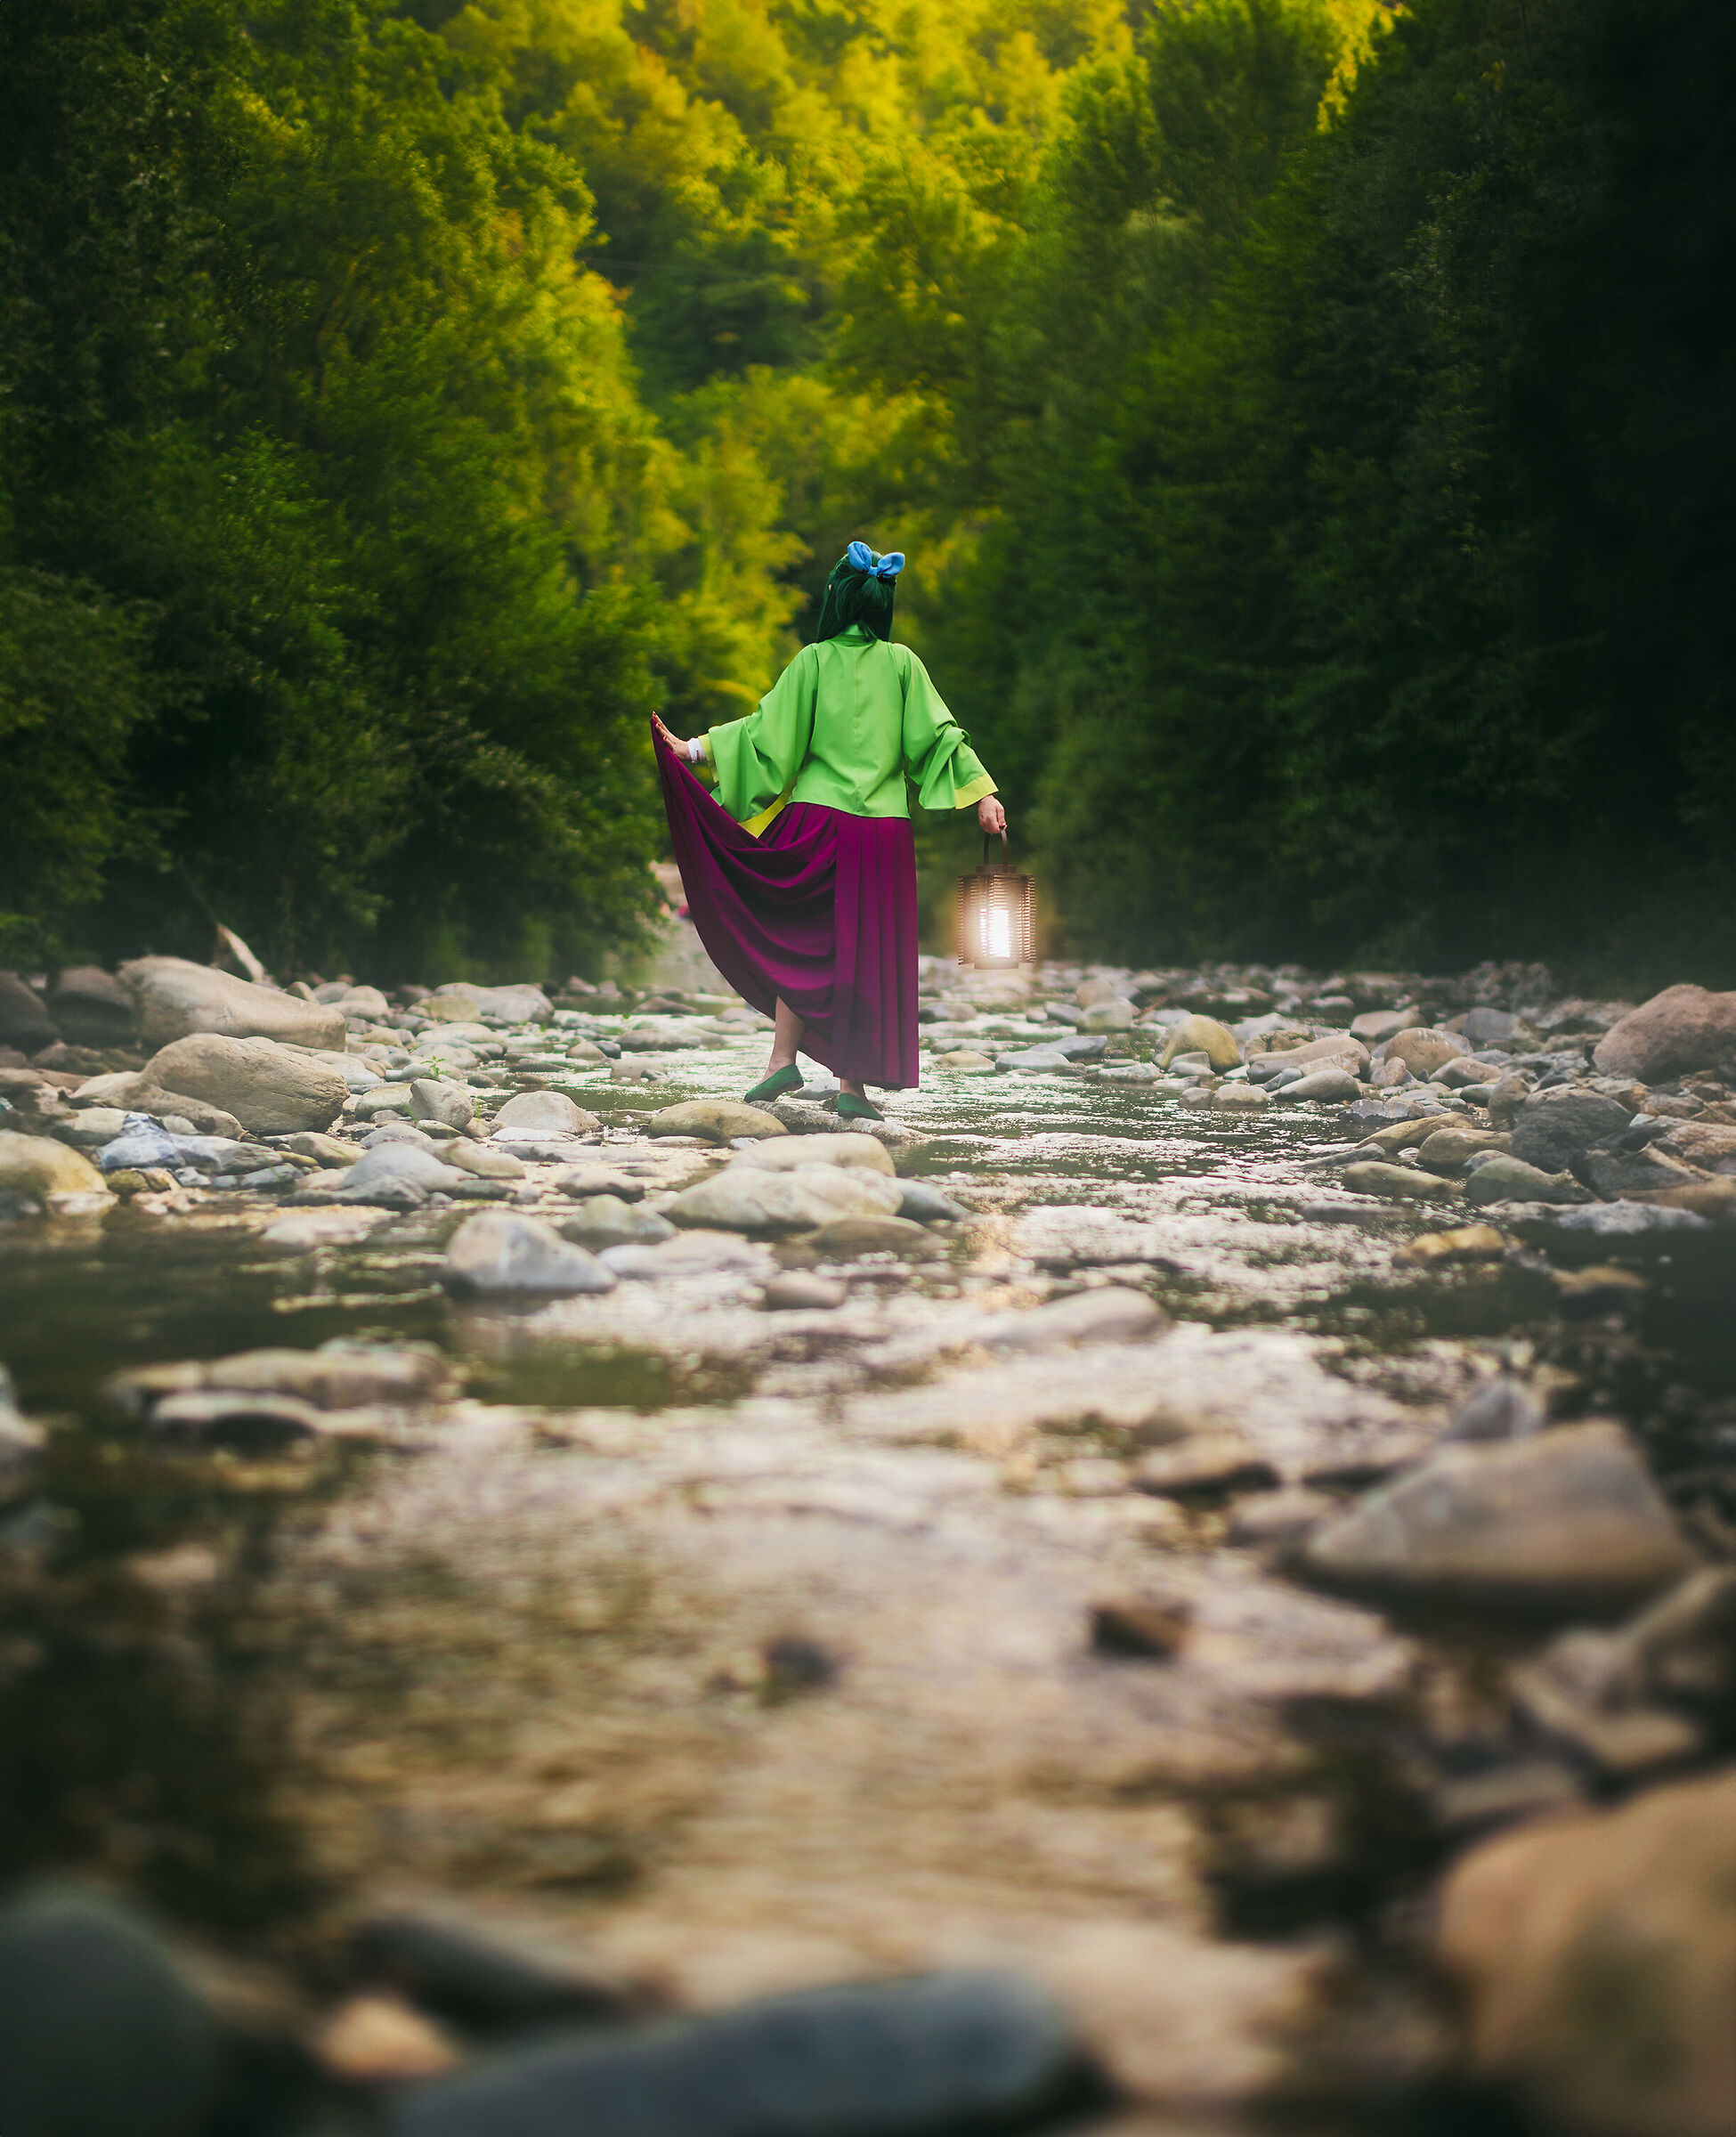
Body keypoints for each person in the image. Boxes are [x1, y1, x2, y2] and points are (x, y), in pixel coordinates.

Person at [653, 541, 1006, 1121]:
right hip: (883, 836)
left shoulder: (813, 661)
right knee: (866, 951)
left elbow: (767, 734)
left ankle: (782, 1061)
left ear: (837, 598)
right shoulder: (903, 665)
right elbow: (940, 738)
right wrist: (982, 793)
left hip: (818, 825)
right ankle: (848, 1085)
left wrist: (693, 748)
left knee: (801, 938)